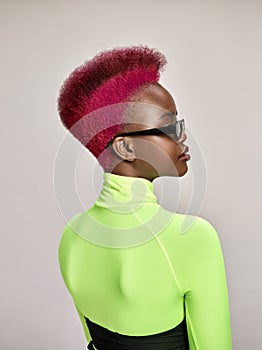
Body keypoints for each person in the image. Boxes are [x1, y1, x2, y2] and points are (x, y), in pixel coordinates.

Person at [57, 46, 232, 349]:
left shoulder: (72, 237)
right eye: (169, 126)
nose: (182, 136)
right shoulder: (192, 238)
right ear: (125, 148)